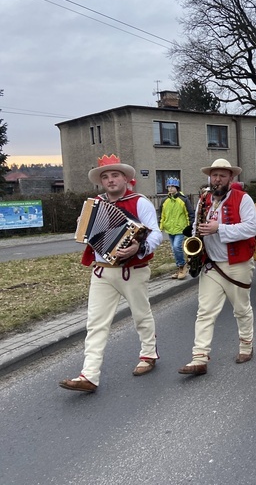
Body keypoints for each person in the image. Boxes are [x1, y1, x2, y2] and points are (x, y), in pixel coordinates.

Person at [59, 154, 163, 393]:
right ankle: (89, 375)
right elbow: (83, 237)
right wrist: (81, 225)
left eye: (115, 175)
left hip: (133, 270)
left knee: (141, 314)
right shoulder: (94, 203)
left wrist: (139, 246)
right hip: (102, 271)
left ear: (126, 178)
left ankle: (148, 354)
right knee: (95, 323)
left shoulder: (140, 202)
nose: (110, 180)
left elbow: (156, 233)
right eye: (105, 177)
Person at [178, 159, 256, 376]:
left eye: (222, 175)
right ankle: (199, 357)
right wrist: (194, 243)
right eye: (214, 176)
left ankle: (246, 345)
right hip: (211, 264)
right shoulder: (204, 200)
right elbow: (196, 226)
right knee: (204, 312)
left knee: (241, 308)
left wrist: (219, 228)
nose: (217, 179)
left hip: (237, 264)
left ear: (231, 178)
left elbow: (251, 228)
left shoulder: (243, 199)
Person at [159, 177, 195, 279]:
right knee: (174, 249)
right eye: (168, 186)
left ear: (177, 188)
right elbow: (162, 214)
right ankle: (179, 268)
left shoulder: (183, 200)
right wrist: (161, 227)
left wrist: (190, 227)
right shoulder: (164, 200)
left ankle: (182, 266)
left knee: (176, 247)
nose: (170, 189)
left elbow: (190, 213)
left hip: (180, 228)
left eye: (172, 186)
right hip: (170, 228)